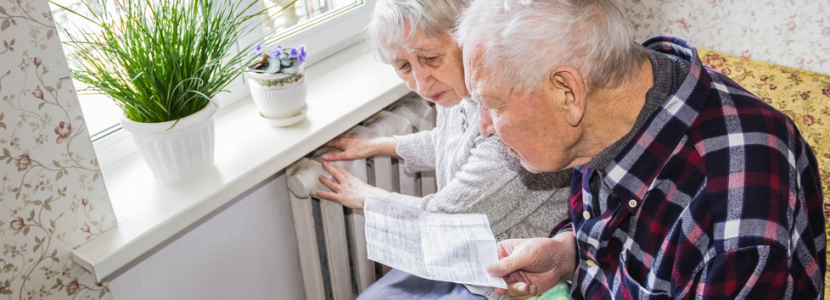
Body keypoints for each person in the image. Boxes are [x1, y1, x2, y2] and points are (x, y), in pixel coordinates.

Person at [453, 0, 826, 299]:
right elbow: (630, 232)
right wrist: (569, 252)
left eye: (493, 104)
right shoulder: (613, 102)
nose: (484, 128)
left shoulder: (734, 217)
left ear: (568, 93)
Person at [314, 0, 572, 299]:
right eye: (403, 66)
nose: (421, 84)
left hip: (509, 282)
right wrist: (378, 145)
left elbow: (444, 216)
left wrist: (364, 197)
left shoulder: (505, 123)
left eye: (432, 58)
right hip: (467, 259)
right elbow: (448, 141)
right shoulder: (457, 92)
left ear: (470, 39)